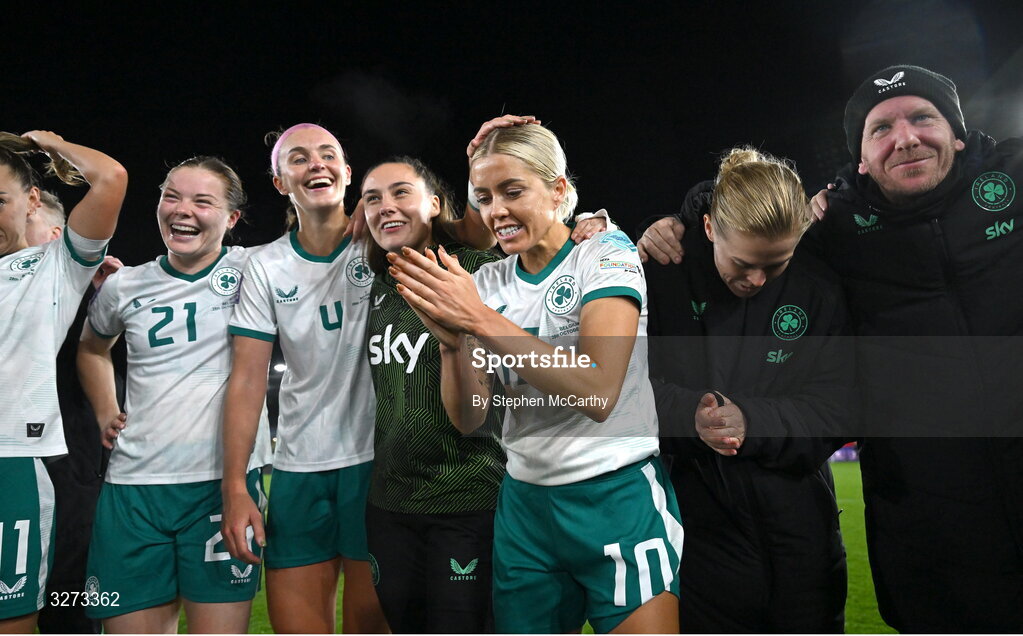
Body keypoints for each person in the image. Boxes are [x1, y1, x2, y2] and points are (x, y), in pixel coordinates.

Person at [638, 65, 1023, 632]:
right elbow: (750, 208)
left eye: (924, 117)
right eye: (882, 127)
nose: (907, 137)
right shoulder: (836, 227)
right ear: (860, 158)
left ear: (960, 133)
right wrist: (678, 219)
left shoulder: (1012, 178)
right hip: (929, 518)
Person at [388, 122, 682, 633]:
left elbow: (597, 389)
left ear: (560, 189)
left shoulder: (606, 253)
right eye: (483, 196)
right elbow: (469, 417)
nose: (496, 209)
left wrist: (477, 320)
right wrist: (453, 343)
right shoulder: (486, 283)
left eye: (513, 190)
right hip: (524, 506)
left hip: (614, 495)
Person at [646, 147, 852, 632]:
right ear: (711, 226)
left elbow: (841, 406)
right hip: (696, 540)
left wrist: (752, 422)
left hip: (805, 542)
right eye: (742, 263)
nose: (756, 280)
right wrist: (688, 417)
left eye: (776, 264)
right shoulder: (662, 273)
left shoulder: (818, 288)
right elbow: (619, 389)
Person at [76, 157, 272, 633]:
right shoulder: (124, 285)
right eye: (171, 196)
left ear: (231, 219)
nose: (182, 210)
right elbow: (92, 347)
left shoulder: (259, 267)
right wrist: (106, 409)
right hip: (132, 488)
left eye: (202, 201)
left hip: (221, 485)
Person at [221, 123, 388, 633]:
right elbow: (248, 381)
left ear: (347, 173)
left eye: (328, 154)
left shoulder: (385, 243)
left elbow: (467, 228)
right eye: (298, 158)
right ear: (279, 182)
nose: (316, 163)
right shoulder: (265, 266)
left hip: (378, 467)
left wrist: (585, 221)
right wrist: (234, 487)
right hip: (298, 469)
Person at [361, 156, 505, 633]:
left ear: (435, 204)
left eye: (401, 192)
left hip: (466, 499)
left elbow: (475, 416)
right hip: (390, 505)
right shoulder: (379, 286)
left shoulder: (479, 274)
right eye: (372, 198)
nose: (386, 207)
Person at [0, 130, 127, 634]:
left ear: (32, 201)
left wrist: (49, 144)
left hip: (12, 460)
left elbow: (110, 179)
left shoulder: (49, 267)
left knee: (15, 620)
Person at [24, 190, 121, 636]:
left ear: (57, 237)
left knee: (72, 609)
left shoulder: (86, 294)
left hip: (73, 488)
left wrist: (101, 293)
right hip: (21, 484)